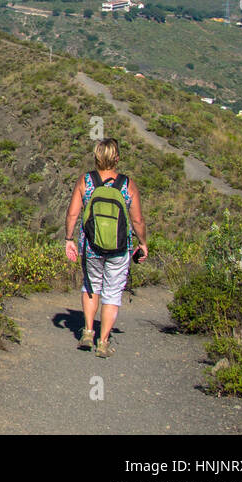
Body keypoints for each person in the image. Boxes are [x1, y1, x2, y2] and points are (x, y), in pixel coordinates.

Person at [64, 138, 147, 358]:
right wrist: (143, 243)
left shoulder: (86, 181)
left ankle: (89, 331)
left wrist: (69, 238)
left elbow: (73, 213)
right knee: (112, 292)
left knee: (91, 286)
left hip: (91, 246)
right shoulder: (127, 184)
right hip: (120, 248)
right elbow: (137, 220)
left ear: (96, 157)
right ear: (117, 158)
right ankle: (103, 342)